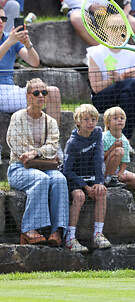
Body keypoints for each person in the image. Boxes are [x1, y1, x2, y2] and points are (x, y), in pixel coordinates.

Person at [6, 78, 68, 246]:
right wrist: (42, 152)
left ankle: (57, 231)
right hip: (18, 169)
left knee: (59, 179)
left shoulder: (51, 122)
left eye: (44, 92)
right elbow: (19, 149)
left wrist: (35, 152)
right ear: (28, 96)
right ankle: (28, 230)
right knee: (41, 179)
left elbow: (53, 147)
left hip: (43, 166)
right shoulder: (17, 118)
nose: (41, 96)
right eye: (36, 93)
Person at [87, 14, 135, 139]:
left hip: (126, 97)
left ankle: (125, 142)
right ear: (105, 30)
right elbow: (96, 88)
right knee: (130, 83)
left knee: (128, 97)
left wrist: (120, 79)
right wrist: (114, 80)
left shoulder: (134, 52)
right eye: (114, 28)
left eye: (122, 27)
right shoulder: (95, 53)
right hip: (102, 99)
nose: (119, 31)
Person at [0, 6, 62, 126]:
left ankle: (53, 140)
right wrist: (9, 42)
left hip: (10, 92)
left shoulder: (11, 38)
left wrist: (28, 44)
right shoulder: (10, 40)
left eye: (3, 18)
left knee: (53, 92)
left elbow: (34, 62)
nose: (0, 21)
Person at [63, 104, 111, 253]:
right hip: (74, 179)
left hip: (91, 178)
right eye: (86, 119)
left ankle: (98, 234)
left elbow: (98, 159)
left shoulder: (97, 133)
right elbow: (67, 171)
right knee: (79, 196)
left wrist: (98, 182)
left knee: (102, 192)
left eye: (93, 119)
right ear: (78, 123)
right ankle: (70, 238)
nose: (90, 123)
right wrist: (85, 186)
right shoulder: (72, 143)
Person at [103, 106, 135, 189]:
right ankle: (108, 180)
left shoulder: (124, 140)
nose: (120, 120)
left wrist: (120, 173)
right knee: (119, 151)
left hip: (116, 171)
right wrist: (113, 147)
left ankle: (115, 181)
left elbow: (124, 162)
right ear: (108, 123)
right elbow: (101, 158)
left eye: (122, 118)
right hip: (103, 168)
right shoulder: (103, 137)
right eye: (115, 118)